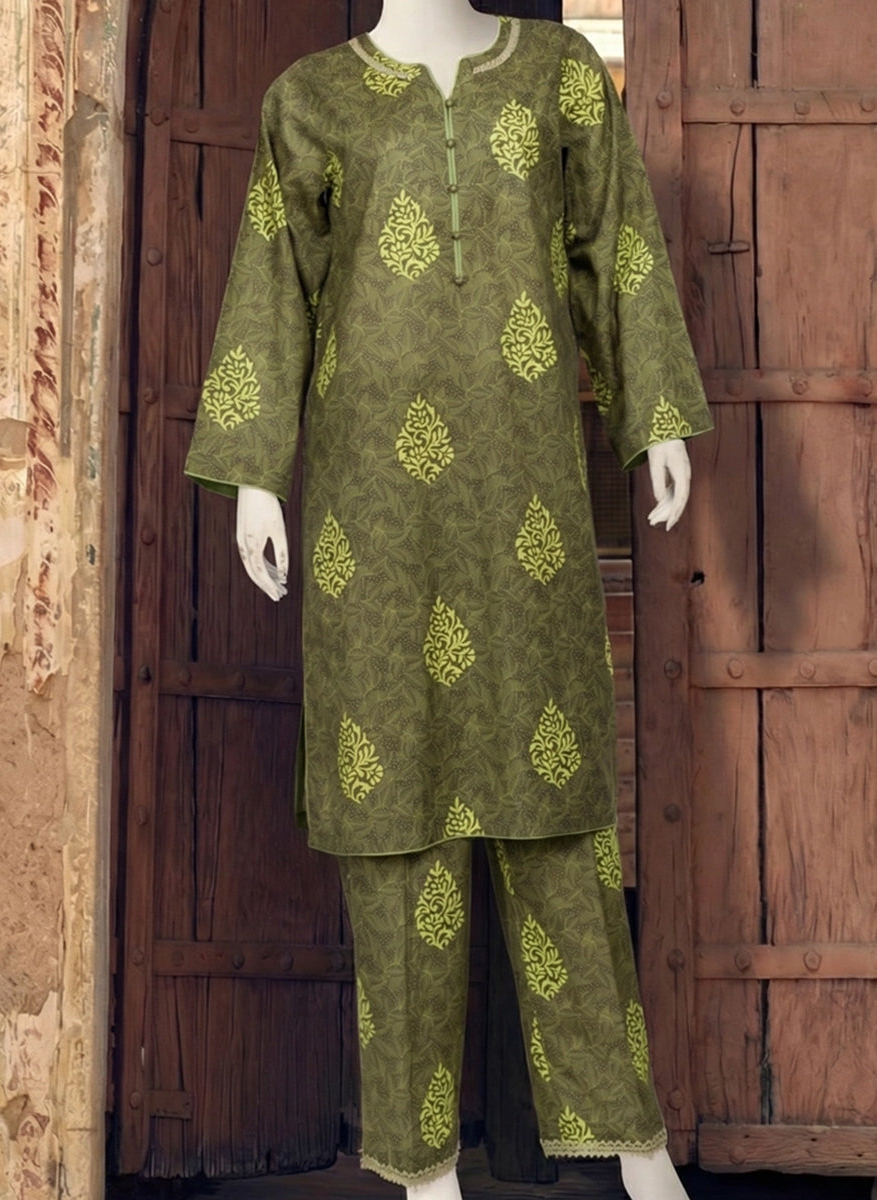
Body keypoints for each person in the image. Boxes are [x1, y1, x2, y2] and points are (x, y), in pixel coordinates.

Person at [185, 4, 713, 1197]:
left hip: (526, 500)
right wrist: (256, 475)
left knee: (558, 810)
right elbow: (275, 283)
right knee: (394, 823)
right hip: (372, 514)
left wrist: (658, 417)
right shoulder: (310, 99)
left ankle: (638, 1152)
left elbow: (616, 244)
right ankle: (424, 1174)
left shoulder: (559, 73)